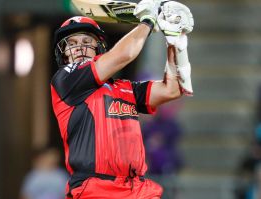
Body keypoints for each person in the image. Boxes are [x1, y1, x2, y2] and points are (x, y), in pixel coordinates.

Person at [50, 0, 194, 198]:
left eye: (86, 42)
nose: (79, 48)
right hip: (95, 189)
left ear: (98, 49)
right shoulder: (66, 79)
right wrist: (148, 21)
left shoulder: (124, 88)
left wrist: (174, 40)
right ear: (64, 55)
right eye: (72, 44)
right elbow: (126, 53)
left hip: (138, 189)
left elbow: (172, 89)